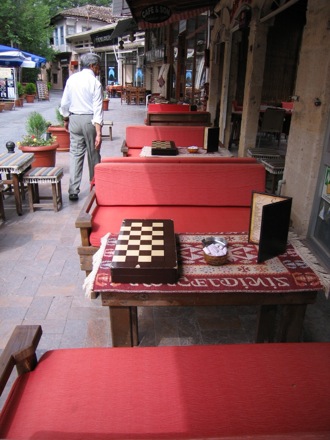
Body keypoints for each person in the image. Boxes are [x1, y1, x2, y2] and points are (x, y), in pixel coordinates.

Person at [59, 53, 103, 201]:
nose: (99, 70)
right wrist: (98, 132)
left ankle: (73, 190)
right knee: (94, 154)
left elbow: (65, 102)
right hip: (89, 119)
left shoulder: (72, 79)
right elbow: (98, 109)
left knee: (76, 154)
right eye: (98, 67)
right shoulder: (95, 83)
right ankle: (95, 186)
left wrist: (66, 119)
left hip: (74, 119)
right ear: (92, 66)